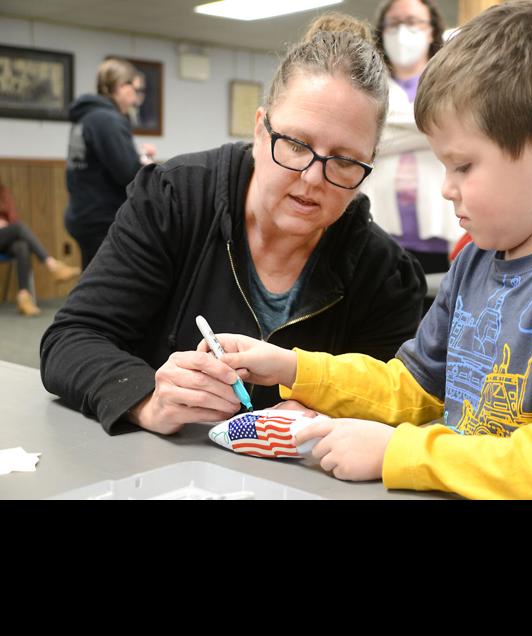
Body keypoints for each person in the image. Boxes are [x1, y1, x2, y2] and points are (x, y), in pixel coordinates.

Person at [207, 0, 532, 499]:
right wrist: (294, 367)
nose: (446, 187)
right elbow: (412, 388)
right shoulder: (479, 259)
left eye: (462, 166)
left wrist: (398, 452)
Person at [39, 13, 427, 437]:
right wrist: (146, 399)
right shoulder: (175, 198)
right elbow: (72, 337)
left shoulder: (385, 273)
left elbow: (395, 400)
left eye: (346, 161)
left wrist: (323, 413)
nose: (313, 178)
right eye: (296, 145)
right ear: (261, 131)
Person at [368, 0, 461, 275]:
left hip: (441, 237)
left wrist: (384, 131)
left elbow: (460, 130)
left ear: (431, 31)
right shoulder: (371, 84)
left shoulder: (451, 83)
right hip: (380, 232)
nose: (402, 32)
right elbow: (364, 140)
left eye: (413, 23)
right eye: (394, 23)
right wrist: (432, 126)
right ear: (382, 31)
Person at [63, 57, 155, 266]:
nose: (136, 100)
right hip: (101, 217)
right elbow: (127, 173)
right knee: (106, 289)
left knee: (93, 281)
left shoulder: (88, 116)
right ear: (122, 86)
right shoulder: (108, 120)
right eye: (136, 90)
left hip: (83, 212)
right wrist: (145, 164)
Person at [0, 183, 81, 317]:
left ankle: (24, 297)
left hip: (4, 236)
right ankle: (52, 266)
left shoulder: (2, 191)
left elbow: (13, 218)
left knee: (22, 246)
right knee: (19, 228)